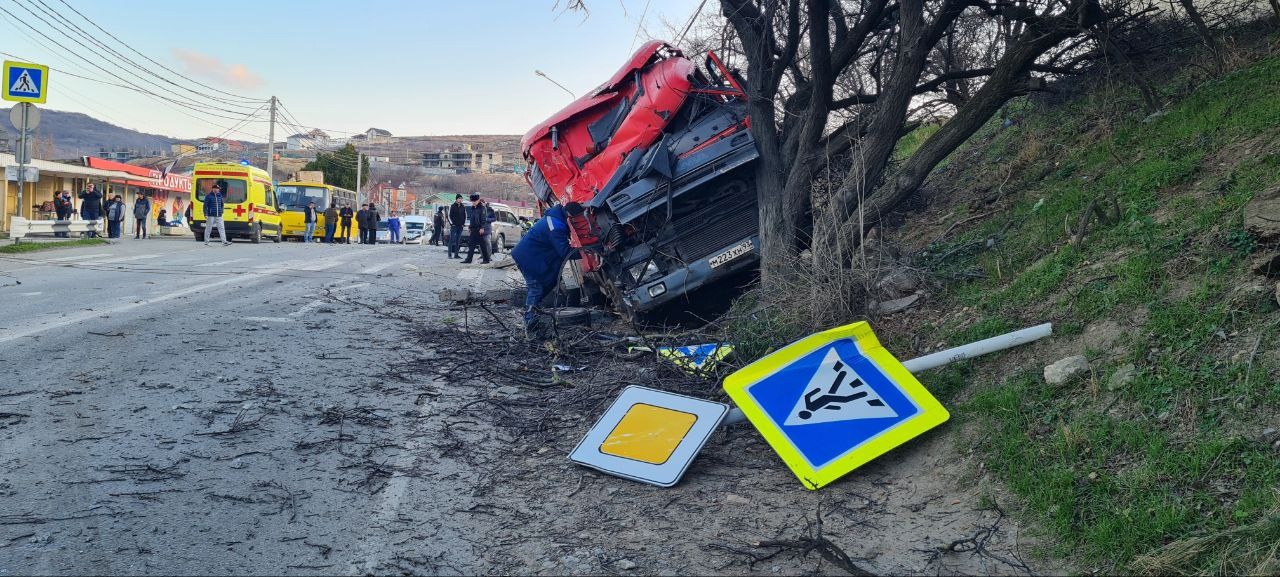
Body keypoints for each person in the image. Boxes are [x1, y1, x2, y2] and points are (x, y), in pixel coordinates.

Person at [512, 202, 581, 336]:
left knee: (548, 283)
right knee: (536, 287)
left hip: (534, 255)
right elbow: (565, 252)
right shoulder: (556, 226)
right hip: (528, 256)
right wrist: (587, 252)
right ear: (570, 216)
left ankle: (533, 311)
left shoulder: (556, 218)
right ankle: (530, 322)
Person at [461, 194, 491, 264]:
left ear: (478, 200)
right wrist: (470, 227)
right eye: (472, 201)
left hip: (479, 228)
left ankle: (486, 259)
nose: (473, 202)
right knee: (471, 244)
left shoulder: (482, 208)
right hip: (473, 229)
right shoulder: (473, 208)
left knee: (482, 245)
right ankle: (469, 259)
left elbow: (483, 219)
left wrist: (482, 227)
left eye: (475, 201)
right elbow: (472, 219)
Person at [203, 180, 231, 246]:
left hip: (219, 215)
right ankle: (206, 241)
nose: (217, 190)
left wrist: (222, 211)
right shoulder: (208, 196)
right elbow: (205, 206)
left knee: (221, 228)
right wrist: (205, 214)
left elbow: (222, 204)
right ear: (213, 189)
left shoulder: (220, 195)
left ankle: (224, 241)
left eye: (218, 189)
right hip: (210, 215)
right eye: (216, 189)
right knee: (208, 228)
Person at [447, 194, 466, 258]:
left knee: (458, 240)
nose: (460, 200)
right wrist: (452, 224)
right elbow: (449, 216)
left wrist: (463, 224)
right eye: (459, 198)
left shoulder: (463, 206)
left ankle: (456, 255)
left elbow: (465, 215)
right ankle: (449, 255)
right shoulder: (452, 206)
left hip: (460, 226)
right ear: (456, 199)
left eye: (461, 198)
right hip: (454, 226)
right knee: (451, 240)